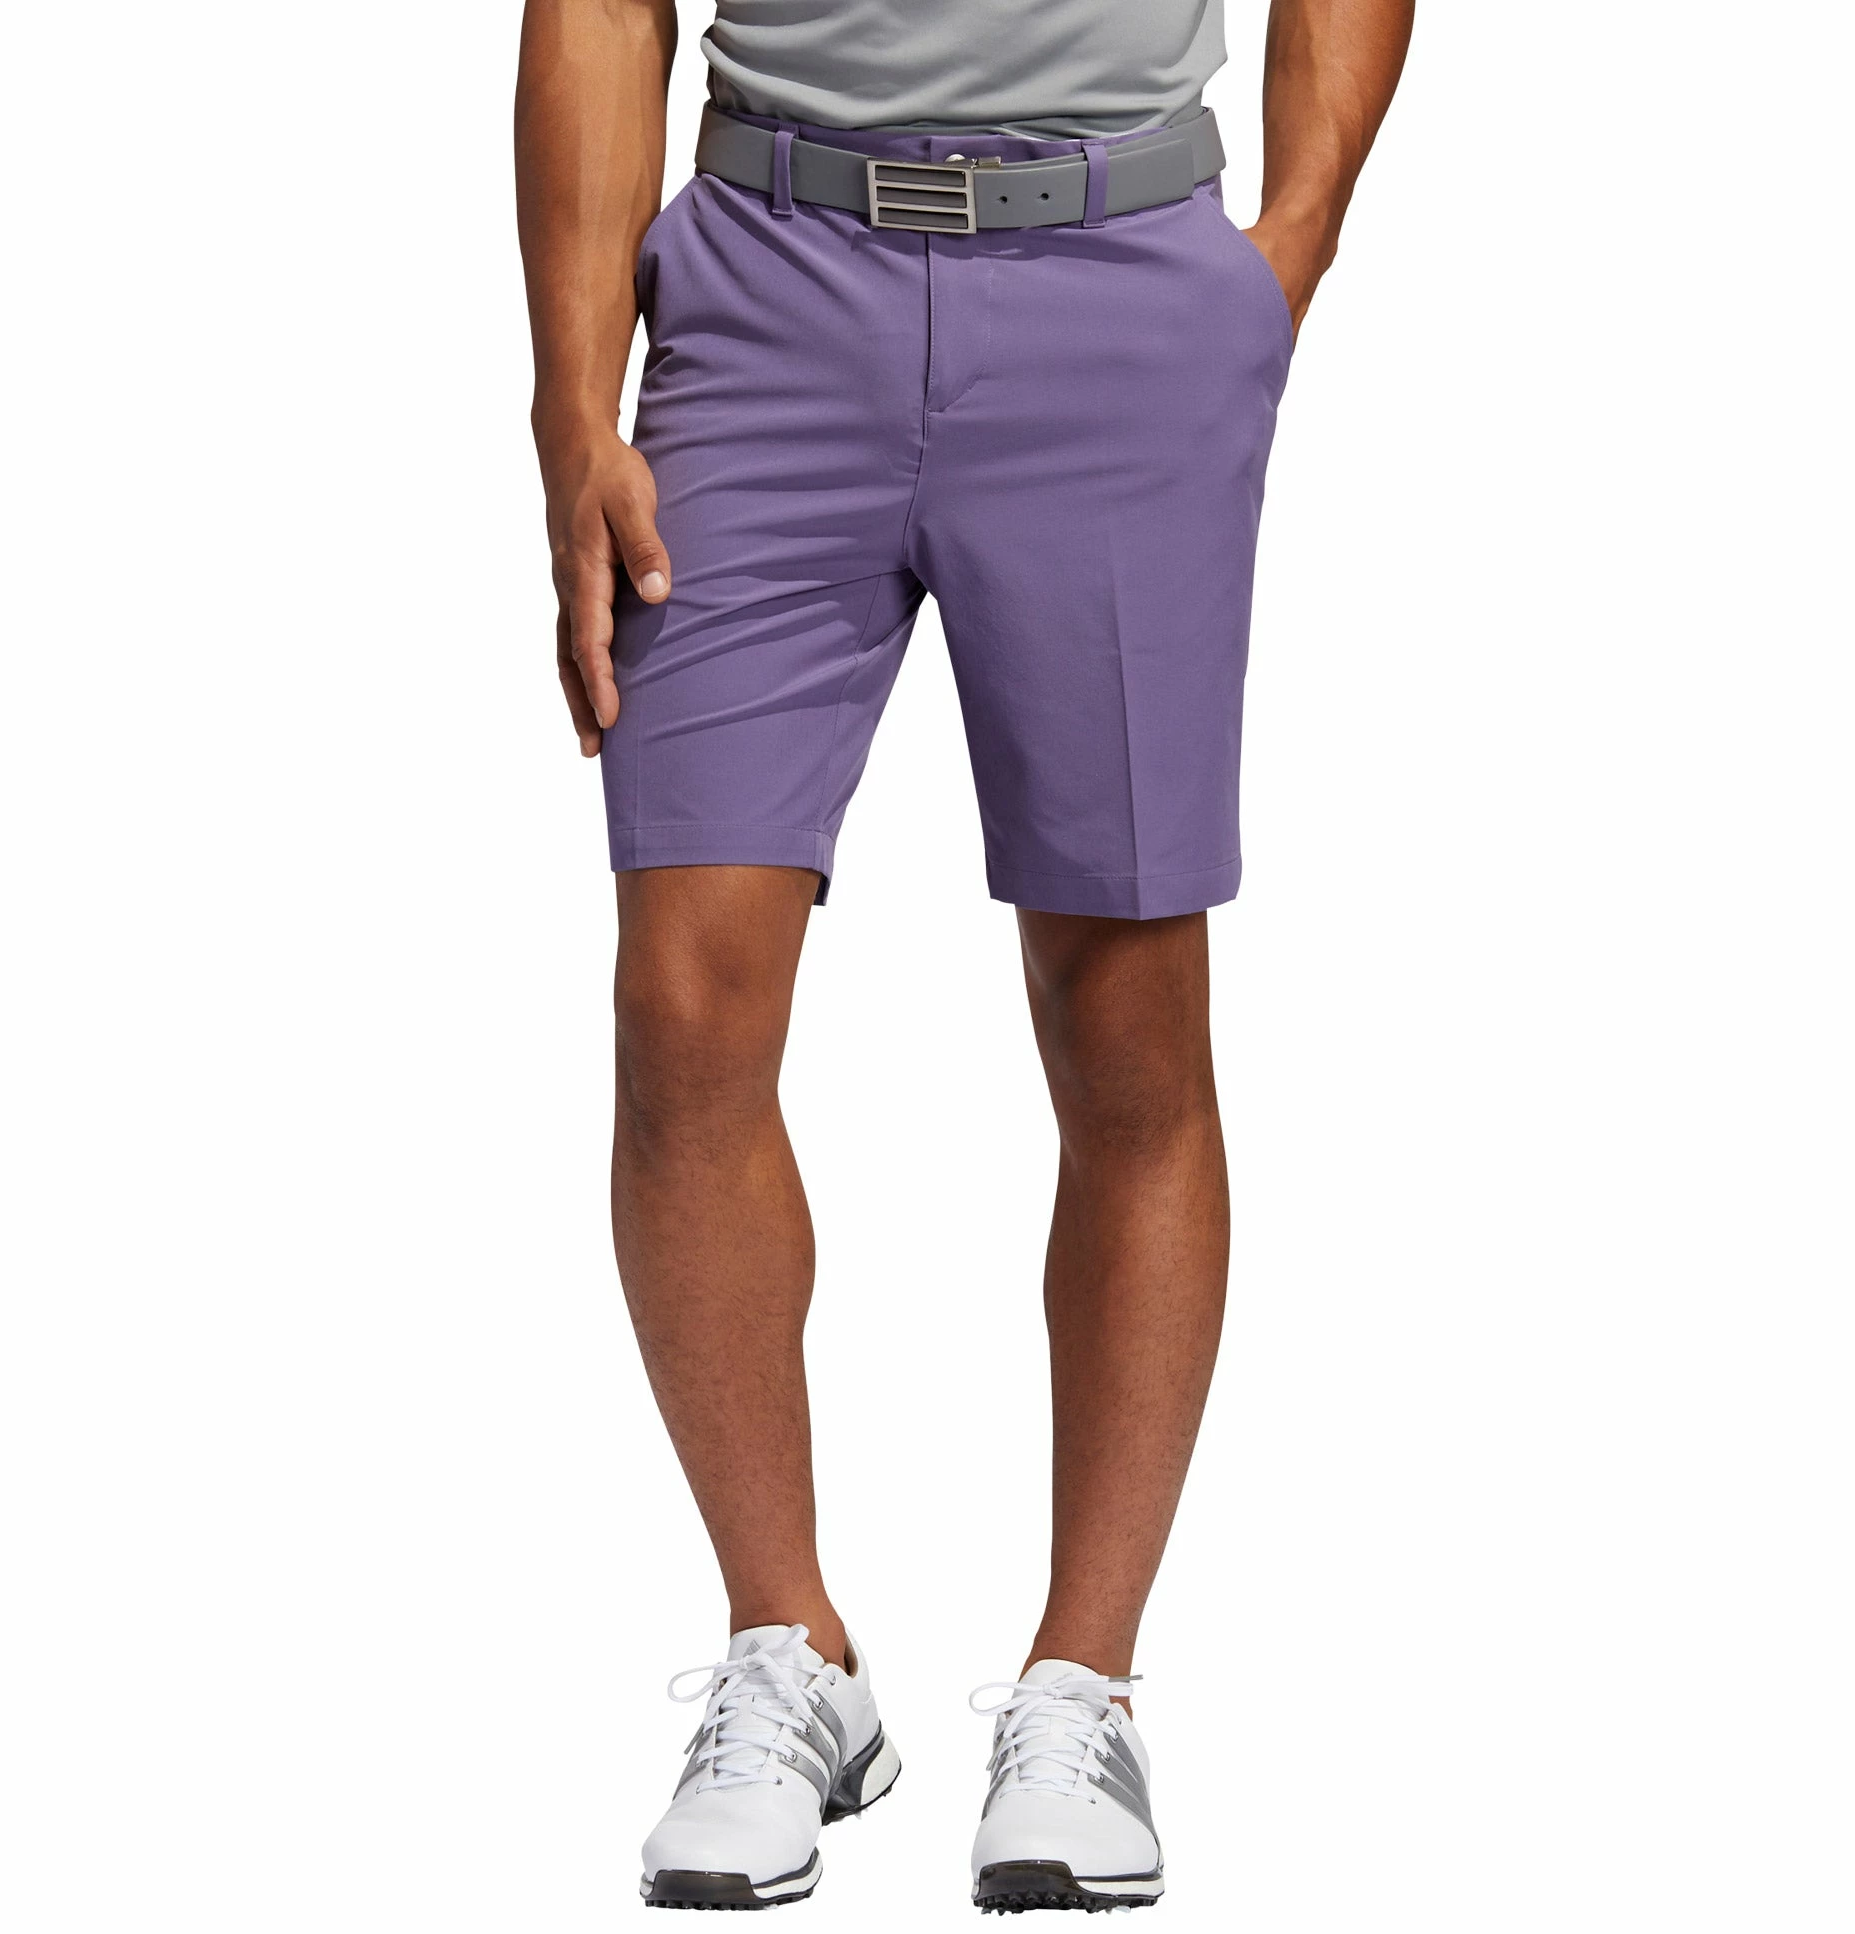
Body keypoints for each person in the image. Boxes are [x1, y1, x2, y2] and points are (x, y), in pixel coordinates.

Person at [515, 0, 1410, 1910]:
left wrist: (1291, 246)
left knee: (1125, 1015)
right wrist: (572, 399)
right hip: (766, 293)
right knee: (680, 1000)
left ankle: (1083, 1685)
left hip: (1119, 289)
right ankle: (788, 1647)